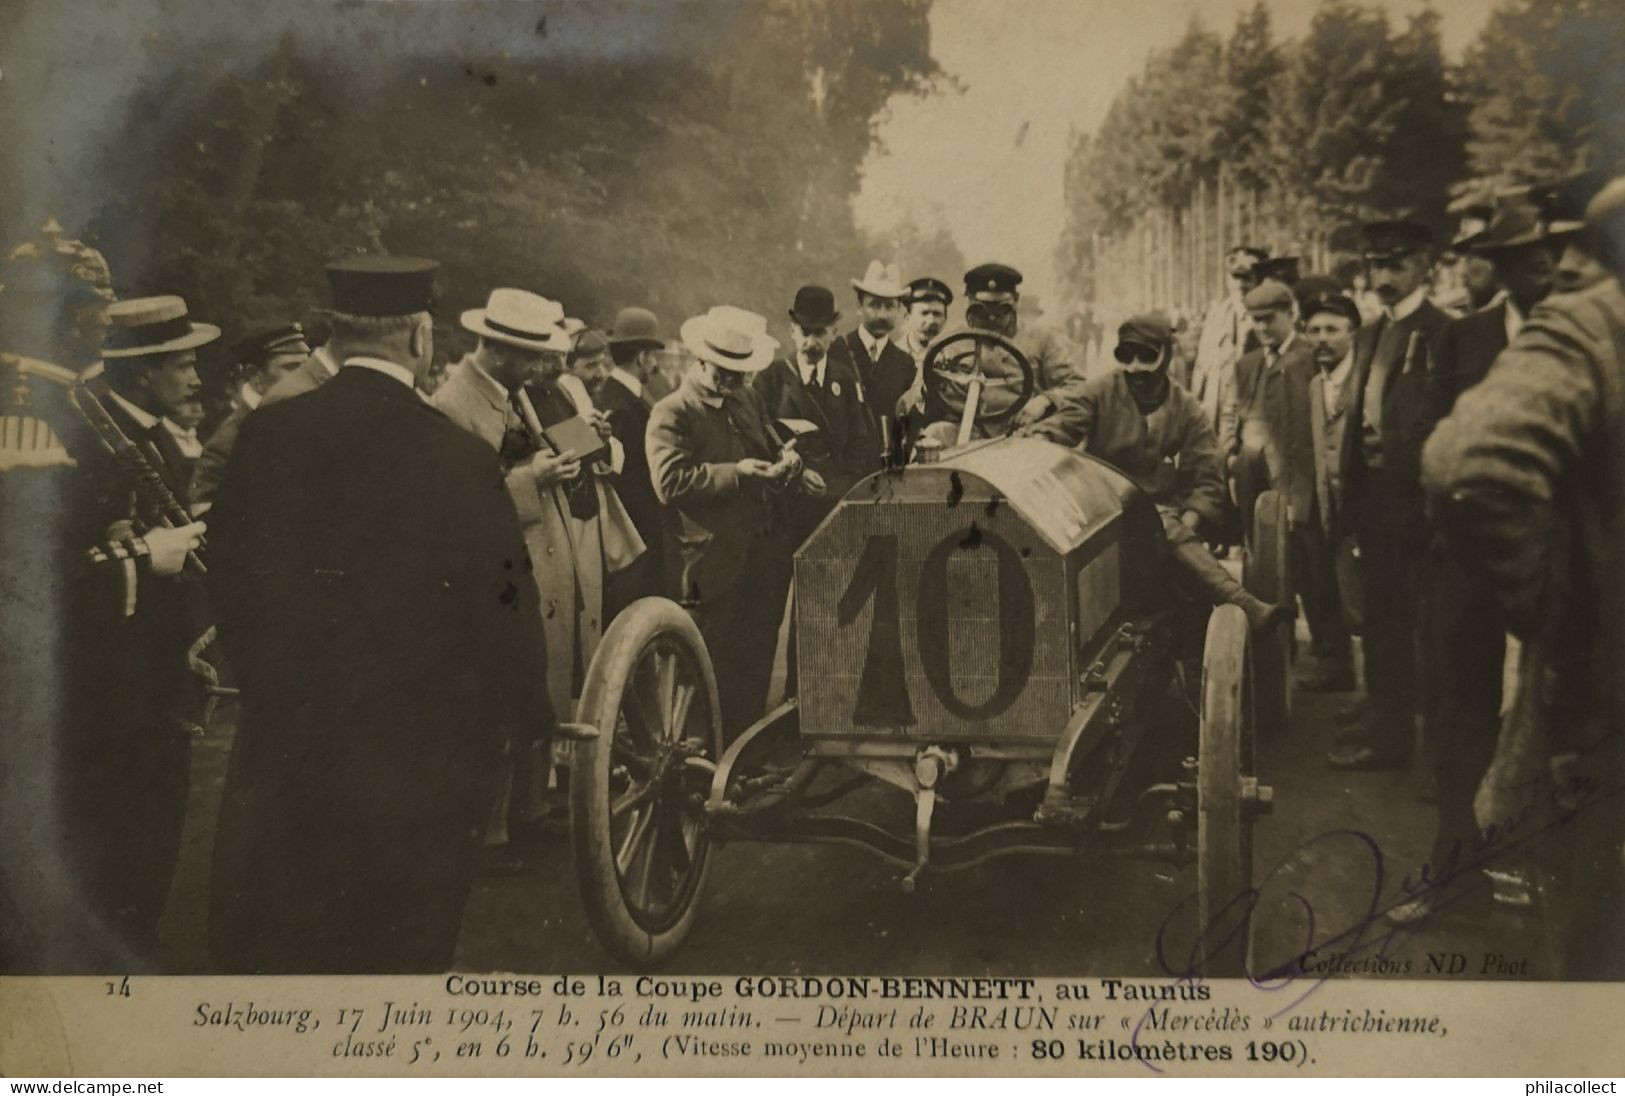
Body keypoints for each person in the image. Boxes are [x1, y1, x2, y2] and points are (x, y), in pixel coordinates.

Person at [206, 257, 553, 973]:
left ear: (335, 331)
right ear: (422, 339)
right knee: (395, 956)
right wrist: (526, 715)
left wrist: (271, 687)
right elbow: (505, 606)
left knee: (284, 949)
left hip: (288, 744)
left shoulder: (269, 431)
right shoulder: (457, 456)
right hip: (419, 760)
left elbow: (231, 577)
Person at [1420, 176, 1625, 976]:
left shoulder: (1589, 327)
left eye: (1578, 248)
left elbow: (1470, 461)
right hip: (1489, 582)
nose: (1561, 268)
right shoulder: (1468, 334)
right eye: (1543, 251)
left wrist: (1560, 610)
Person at [1, 230, 211, 971]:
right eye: (96, 306)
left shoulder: (72, 402)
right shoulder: (27, 410)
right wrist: (143, 558)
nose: (107, 317)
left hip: (114, 680)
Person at [1392, 199, 1559, 924]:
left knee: (1562, 722)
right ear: (1499, 265)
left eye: (1551, 254)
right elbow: (1427, 435)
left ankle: (1551, 886)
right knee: (1460, 716)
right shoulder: (1466, 337)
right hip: (1468, 560)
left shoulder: (1591, 342)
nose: (1541, 268)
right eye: (1523, 256)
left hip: (1565, 565)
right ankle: (1453, 878)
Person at [428, 287, 583, 867]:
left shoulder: (513, 393)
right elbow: (462, 500)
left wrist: (568, 451)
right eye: (528, 354)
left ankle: (529, 808)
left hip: (539, 553)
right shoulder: (454, 404)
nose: (539, 365)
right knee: (502, 689)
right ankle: (487, 832)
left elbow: (533, 451)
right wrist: (531, 478)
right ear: (496, 348)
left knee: (541, 680)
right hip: (500, 564)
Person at [1032, 313, 1292, 634]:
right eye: (1126, 356)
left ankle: (1229, 606)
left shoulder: (1186, 408)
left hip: (1160, 514)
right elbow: (1065, 422)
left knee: (1166, 529)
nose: (1136, 368)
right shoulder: (1101, 391)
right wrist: (1043, 437)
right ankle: (1243, 603)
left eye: (1146, 356)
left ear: (1166, 357)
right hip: (1100, 507)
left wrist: (1190, 523)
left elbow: (1206, 476)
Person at [647, 306, 825, 739]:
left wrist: (788, 460)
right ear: (700, 361)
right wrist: (737, 473)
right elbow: (670, 483)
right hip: (713, 564)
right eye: (724, 372)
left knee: (757, 656)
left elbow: (769, 438)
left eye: (739, 372)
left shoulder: (745, 397)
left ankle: (744, 757)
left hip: (763, 554)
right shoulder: (672, 412)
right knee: (707, 666)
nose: (732, 381)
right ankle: (697, 764)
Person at [1324, 220, 1451, 772]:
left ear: (1423, 264)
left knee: (1429, 630)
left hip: (1423, 508)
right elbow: (1357, 423)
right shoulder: (1372, 331)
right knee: (1381, 622)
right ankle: (1387, 724)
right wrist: (1351, 504)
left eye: (1395, 264)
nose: (1383, 277)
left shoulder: (1447, 331)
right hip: (1375, 505)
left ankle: (1433, 751)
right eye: (1375, 266)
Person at [1231, 281, 1353, 690]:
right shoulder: (1247, 364)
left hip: (1302, 485)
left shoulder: (1307, 360)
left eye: (1271, 319)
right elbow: (1240, 421)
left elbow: (1310, 434)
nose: (1264, 328)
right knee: (1269, 572)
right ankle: (1283, 653)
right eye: (1256, 320)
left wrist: (1299, 494)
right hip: (1258, 488)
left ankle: (1333, 659)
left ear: (1290, 314)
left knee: (1315, 573)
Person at [753, 285, 873, 543]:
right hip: (786, 508)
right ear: (792, 332)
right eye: (805, 333)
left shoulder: (845, 378)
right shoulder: (770, 378)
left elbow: (860, 441)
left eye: (820, 333)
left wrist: (841, 488)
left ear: (834, 333)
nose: (812, 343)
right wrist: (797, 474)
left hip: (835, 507)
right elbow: (760, 437)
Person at [1297, 293, 1364, 694]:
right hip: (1330, 512)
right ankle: (1348, 682)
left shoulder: (1367, 382)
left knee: (1372, 609)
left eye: (1332, 330)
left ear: (1352, 335)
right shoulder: (1314, 386)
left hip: (1365, 514)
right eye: (1314, 330)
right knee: (1336, 594)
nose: (1322, 339)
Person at [191, 323, 311, 506]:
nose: (303, 377)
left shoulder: (307, 417)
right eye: (291, 368)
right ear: (255, 376)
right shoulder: (227, 441)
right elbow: (205, 510)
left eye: (306, 368)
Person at [599, 306, 668, 610]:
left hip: (640, 531)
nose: (655, 364)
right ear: (641, 357)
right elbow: (623, 478)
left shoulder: (622, 396)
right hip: (636, 536)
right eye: (653, 356)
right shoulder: (621, 405)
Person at [827, 259, 916, 440]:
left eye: (890, 306)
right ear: (859, 307)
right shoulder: (836, 351)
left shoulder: (905, 362)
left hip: (890, 464)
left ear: (899, 310)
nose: (882, 314)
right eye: (874, 305)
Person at [1190, 245, 1266, 443]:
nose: (1240, 285)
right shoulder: (1217, 314)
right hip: (1214, 410)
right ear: (1226, 279)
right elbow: (1201, 367)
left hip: (1251, 416)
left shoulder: (1265, 318)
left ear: (1259, 279)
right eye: (1235, 277)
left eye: (1247, 278)